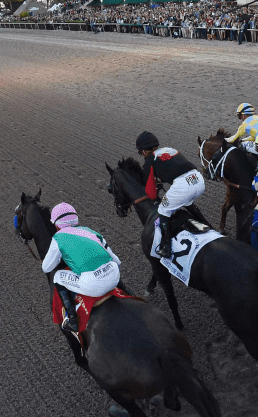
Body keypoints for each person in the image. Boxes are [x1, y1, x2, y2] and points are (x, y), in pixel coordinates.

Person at [40, 202, 121, 334]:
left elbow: (46, 267)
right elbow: (116, 260)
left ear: (56, 224)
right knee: (112, 264)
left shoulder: (58, 237)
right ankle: (127, 291)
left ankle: (72, 320)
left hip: (92, 285)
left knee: (57, 276)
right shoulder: (90, 231)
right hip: (114, 276)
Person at [136, 131, 206, 259]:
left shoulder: (149, 160)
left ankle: (165, 246)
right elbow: (175, 168)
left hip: (183, 186)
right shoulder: (169, 149)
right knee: (188, 202)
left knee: (163, 210)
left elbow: (151, 193)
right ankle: (208, 225)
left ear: (143, 151)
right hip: (198, 180)